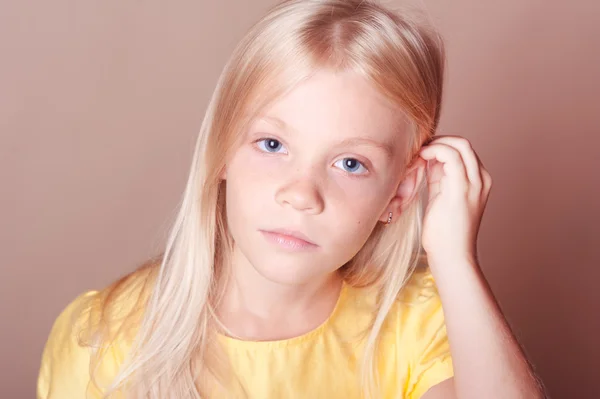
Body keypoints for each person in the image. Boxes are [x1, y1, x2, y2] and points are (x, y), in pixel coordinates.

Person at [37, 0, 546, 398]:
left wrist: (454, 261)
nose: (302, 194)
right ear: (222, 154)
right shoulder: (103, 335)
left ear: (400, 191)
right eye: (272, 145)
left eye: (351, 163)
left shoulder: (423, 326)